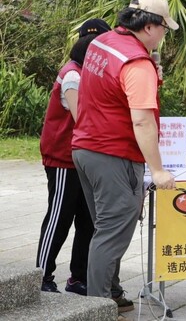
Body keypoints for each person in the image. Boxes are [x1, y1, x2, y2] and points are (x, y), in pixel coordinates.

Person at [71, 0, 178, 313]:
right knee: (112, 231)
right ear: (149, 26)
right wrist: (157, 170)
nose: (164, 36)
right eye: (164, 29)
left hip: (86, 149)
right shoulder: (136, 62)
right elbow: (143, 120)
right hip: (113, 154)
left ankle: (112, 291)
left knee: (105, 227)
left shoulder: (102, 43)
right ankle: (97, 308)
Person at [37, 18, 111, 295]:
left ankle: (78, 278)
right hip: (63, 158)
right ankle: (41, 277)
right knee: (60, 217)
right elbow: (84, 118)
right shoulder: (73, 74)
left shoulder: (89, 74)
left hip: (85, 157)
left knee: (87, 220)